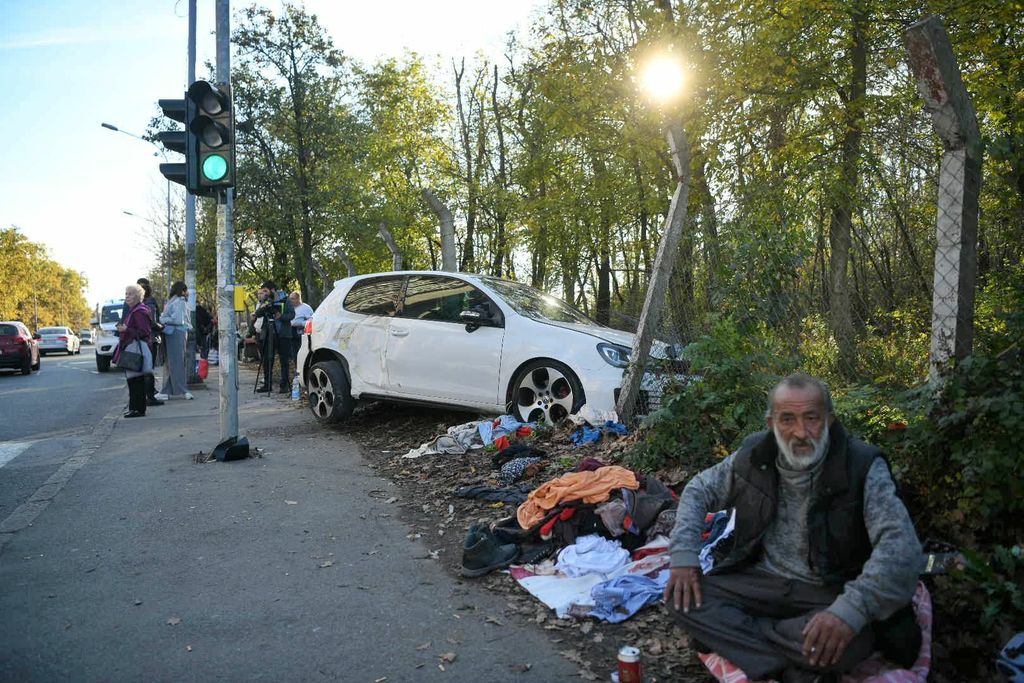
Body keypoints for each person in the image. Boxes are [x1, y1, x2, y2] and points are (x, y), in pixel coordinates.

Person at [664, 372, 923, 683]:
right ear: (772, 424)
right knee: (681, 599)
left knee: (852, 640)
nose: (801, 432)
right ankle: (788, 668)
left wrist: (848, 611)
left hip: (829, 589)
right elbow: (698, 490)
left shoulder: (862, 465)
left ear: (828, 420)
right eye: (788, 419)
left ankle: (741, 641)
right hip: (761, 580)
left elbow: (900, 549)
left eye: (811, 418)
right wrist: (683, 556)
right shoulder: (754, 455)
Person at [114, 284, 155, 418]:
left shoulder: (140, 311)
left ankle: (138, 409)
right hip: (132, 346)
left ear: (138, 296)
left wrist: (126, 329)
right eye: (126, 293)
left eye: (130, 294)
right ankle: (134, 408)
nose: (127, 296)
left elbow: (144, 331)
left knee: (136, 379)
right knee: (133, 379)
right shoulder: (134, 310)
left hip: (136, 347)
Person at [252, 280, 294, 394]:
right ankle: (267, 385)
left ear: (272, 290)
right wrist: (265, 305)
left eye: (266, 291)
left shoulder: (285, 299)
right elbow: (258, 314)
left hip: (283, 335)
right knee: (266, 359)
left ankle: (284, 385)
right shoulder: (266, 300)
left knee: (284, 360)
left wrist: (281, 316)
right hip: (268, 334)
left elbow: (292, 315)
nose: (264, 293)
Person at [156, 281, 193, 401]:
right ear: (182, 290)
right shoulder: (178, 301)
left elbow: (178, 320)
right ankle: (167, 390)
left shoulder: (178, 301)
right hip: (176, 333)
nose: (187, 293)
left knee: (175, 363)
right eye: (186, 290)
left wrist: (163, 319)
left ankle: (182, 390)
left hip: (176, 333)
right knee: (173, 363)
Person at [288, 290, 314, 370]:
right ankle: (297, 373)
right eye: (290, 299)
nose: (291, 301)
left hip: (301, 335)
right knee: (294, 356)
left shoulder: (305, 308)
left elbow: (311, 321)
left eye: (293, 299)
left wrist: (300, 323)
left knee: (301, 356)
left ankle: (302, 372)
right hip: (291, 334)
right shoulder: (290, 308)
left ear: (298, 298)